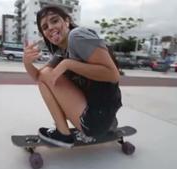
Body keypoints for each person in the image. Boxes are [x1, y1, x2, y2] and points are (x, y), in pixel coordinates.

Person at [23, 5, 122, 148]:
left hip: (95, 119)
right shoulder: (61, 52)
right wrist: (27, 63)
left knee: (47, 74)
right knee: (45, 76)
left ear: (67, 21)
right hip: (103, 117)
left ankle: (63, 134)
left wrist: (68, 64)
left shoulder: (77, 36)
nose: (50, 27)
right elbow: (40, 78)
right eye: (45, 27)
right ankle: (66, 131)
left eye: (54, 21)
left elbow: (113, 75)